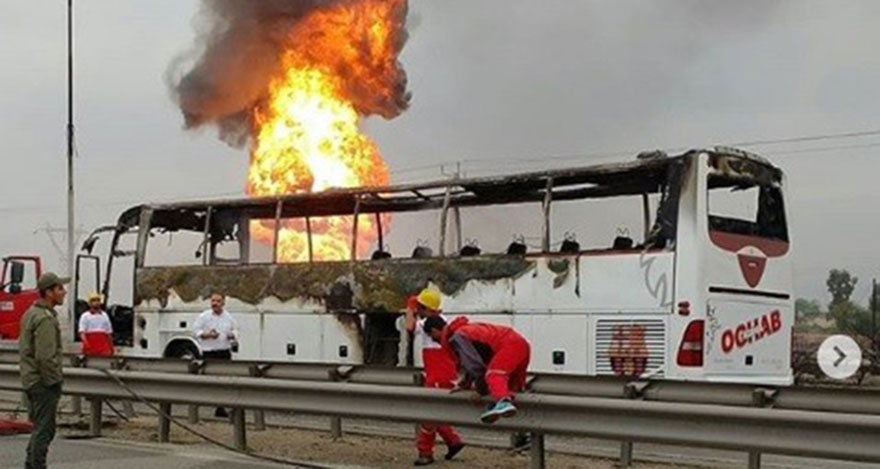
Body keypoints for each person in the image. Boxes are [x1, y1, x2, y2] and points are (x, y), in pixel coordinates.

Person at [423, 316, 531, 424]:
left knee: (494, 375)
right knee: (513, 386)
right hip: (520, 343)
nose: (433, 339)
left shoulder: (457, 337)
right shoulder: (465, 330)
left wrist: (481, 392)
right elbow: (481, 358)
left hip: (508, 345)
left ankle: (503, 402)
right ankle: (506, 410)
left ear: (434, 330)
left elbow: (475, 366)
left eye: (431, 335)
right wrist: (465, 383)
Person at [404, 288, 465, 466]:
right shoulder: (443, 322)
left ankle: (425, 452)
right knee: (434, 411)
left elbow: (409, 327)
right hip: (444, 373)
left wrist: (410, 308)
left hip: (437, 373)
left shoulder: (428, 324)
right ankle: (453, 441)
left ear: (427, 308)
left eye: (421, 307)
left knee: (428, 414)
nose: (418, 310)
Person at [19, 272, 68, 469]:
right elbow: (45, 357)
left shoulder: (30, 313)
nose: (63, 293)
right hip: (42, 383)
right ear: (48, 292)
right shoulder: (44, 319)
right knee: (45, 430)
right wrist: (53, 381)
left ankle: (30, 464)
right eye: (59, 289)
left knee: (39, 428)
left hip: (30, 379)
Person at [192, 292, 238, 417]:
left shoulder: (228, 317)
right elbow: (195, 331)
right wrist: (206, 334)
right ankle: (197, 406)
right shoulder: (204, 316)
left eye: (218, 301)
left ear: (223, 303)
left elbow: (235, 330)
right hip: (209, 353)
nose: (215, 304)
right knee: (209, 382)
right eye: (213, 301)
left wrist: (232, 335)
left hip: (224, 352)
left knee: (223, 382)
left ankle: (220, 408)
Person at [78, 292, 114, 357]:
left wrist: (111, 348)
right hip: (90, 347)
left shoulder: (104, 315)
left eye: (98, 300)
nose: (96, 302)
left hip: (103, 349)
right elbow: (82, 333)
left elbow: (109, 334)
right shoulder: (85, 316)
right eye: (94, 300)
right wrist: (86, 345)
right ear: (89, 303)